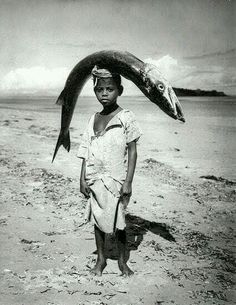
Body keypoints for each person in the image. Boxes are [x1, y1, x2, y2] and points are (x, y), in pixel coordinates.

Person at [77, 65, 142, 277]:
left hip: (116, 178)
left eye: (110, 89)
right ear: (95, 91)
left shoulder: (126, 117)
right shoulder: (93, 118)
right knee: (97, 218)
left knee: (119, 222)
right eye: (100, 89)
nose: (104, 93)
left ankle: (123, 263)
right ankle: (101, 260)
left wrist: (129, 182)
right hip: (94, 176)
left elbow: (132, 152)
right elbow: (86, 149)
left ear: (119, 90)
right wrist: (82, 179)